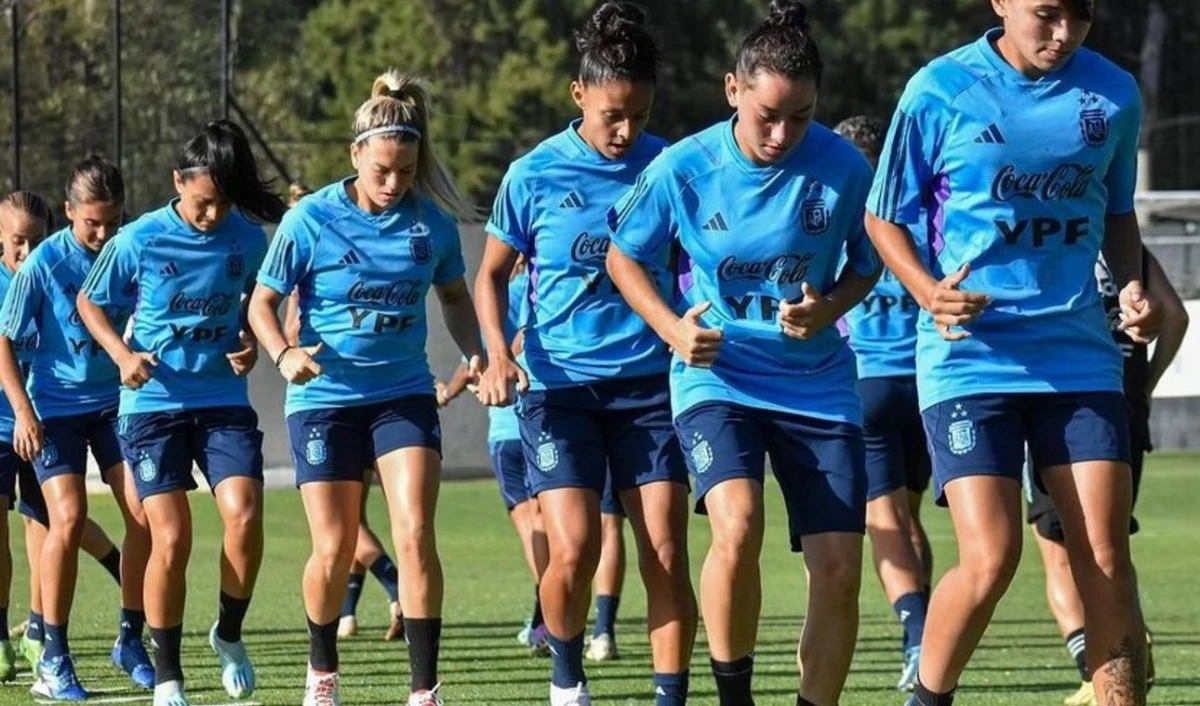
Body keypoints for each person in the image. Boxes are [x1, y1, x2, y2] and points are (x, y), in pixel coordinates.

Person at [865, 1, 1163, 704]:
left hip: (1078, 356)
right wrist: (929, 292)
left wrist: (1131, 286)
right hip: (971, 357)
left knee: (1104, 555)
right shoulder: (939, 89)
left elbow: (1117, 211)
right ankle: (926, 697)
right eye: (1047, 14)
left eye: (1082, 16)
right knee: (991, 556)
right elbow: (883, 217)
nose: (1064, 34)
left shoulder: (1114, 93)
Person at [606, 4, 879, 704]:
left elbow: (868, 262)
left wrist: (828, 309)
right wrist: (673, 330)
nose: (783, 134)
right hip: (718, 379)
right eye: (768, 116)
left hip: (818, 384)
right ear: (733, 89)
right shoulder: (683, 167)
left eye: (801, 118)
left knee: (840, 569)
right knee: (738, 524)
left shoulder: (845, 168)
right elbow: (622, 257)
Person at [475, 4, 696, 705]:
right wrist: (498, 354)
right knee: (573, 548)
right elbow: (488, 276)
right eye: (611, 116)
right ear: (578, 95)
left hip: (651, 388)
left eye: (639, 114)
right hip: (559, 389)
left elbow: (701, 257)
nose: (625, 131)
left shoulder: (670, 166)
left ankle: (670, 695)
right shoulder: (533, 174)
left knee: (665, 550)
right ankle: (567, 679)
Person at [249, 68, 483, 706]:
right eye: (382, 169)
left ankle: (424, 690)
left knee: (415, 535)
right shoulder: (310, 219)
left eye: (405, 171)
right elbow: (262, 304)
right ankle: (322, 674)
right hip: (324, 400)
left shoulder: (431, 225)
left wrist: (478, 355)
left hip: (403, 395)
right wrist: (283, 353)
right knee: (332, 546)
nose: (393, 182)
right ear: (355, 154)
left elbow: (456, 299)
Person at [77, 122, 284, 706]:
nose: (212, 215)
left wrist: (248, 339)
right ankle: (168, 674)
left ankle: (229, 633)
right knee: (171, 536)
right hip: (153, 406)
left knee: (245, 515)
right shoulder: (139, 239)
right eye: (202, 202)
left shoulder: (249, 239)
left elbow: (256, 306)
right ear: (178, 182)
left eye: (223, 203)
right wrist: (122, 356)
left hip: (221, 401)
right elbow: (90, 301)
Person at [0, 159, 154, 700]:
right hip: (55, 411)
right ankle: (54, 657)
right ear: (69, 212)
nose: (104, 233)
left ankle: (130, 639)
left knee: (144, 513)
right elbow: (4, 342)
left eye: (112, 221)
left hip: (116, 406)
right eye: (92, 223)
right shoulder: (45, 263)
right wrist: (24, 412)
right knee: (66, 517)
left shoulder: (130, 252)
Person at [1025, 248, 1187, 706]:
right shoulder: (1125, 246)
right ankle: (1127, 648)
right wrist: (1145, 384)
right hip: (1123, 404)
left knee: (1059, 552)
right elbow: (1175, 315)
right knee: (1109, 546)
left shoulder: (1047, 231)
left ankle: (1093, 671)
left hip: (1060, 398)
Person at [836, 114, 930, 691]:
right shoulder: (915, 218)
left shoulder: (836, 217)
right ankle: (920, 638)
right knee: (911, 517)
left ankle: (918, 634)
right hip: (927, 385)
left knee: (884, 519)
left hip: (867, 382)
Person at [283, 270, 406, 643]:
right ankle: (347, 614)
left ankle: (397, 587)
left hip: (334, 405)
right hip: (373, 403)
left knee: (343, 523)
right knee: (352, 518)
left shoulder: (307, 281)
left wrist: (294, 339)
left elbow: (292, 335)